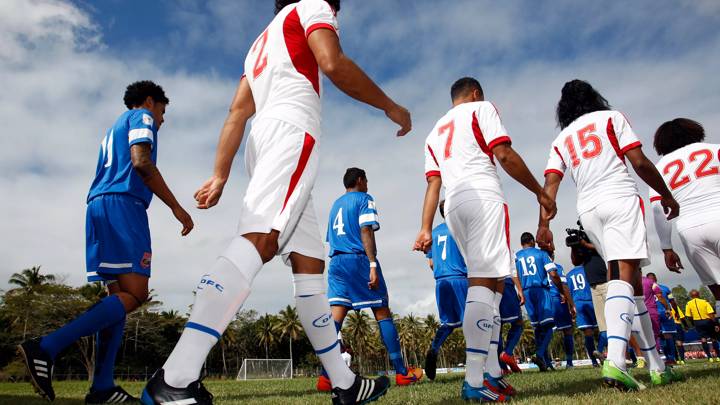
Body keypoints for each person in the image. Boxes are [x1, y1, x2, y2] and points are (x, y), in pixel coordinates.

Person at [141, 1, 412, 403]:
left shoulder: (259, 43)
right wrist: (391, 105)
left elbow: (238, 111)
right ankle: (175, 379)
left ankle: (346, 383)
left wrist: (221, 173)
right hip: (293, 131)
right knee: (260, 239)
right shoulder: (312, 7)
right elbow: (332, 62)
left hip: (264, 137)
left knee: (309, 266)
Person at [17, 81, 193, 403]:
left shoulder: (112, 129)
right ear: (150, 102)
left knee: (119, 299)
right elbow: (142, 162)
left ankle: (102, 387)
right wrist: (177, 208)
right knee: (137, 294)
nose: (162, 120)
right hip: (123, 207)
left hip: (99, 206)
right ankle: (46, 347)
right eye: (163, 112)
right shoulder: (141, 118)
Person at [414, 77, 556, 402]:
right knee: (483, 284)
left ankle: (491, 373)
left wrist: (425, 227)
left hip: (452, 206)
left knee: (494, 285)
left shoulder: (434, 132)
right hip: (482, 196)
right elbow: (503, 154)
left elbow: (433, 183)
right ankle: (475, 380)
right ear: (476, 93)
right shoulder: (481, 108)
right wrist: (540, 193)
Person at [537, 79, 681, 390]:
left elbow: (550, 185)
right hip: (619, 199)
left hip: (589, 210)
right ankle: (615, 362)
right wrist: (666, 194)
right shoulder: (612, 118)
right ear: (593, 98)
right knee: (621, 277)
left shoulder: (561, 139)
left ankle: (656, 366)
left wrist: (543, 225)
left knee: (632, 285)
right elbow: (639, 162)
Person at [319, 168, 422, 390]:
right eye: (366, 179)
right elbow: (366, 230)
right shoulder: (365, 198)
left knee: (334, 320)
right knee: (382, 310)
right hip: (358, 260)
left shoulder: (335, 205)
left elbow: (331, 237)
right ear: (359, 180)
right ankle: (402, 373)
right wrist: (372, 263)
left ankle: (324, 376)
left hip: (336, 262)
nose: (368, 184)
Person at [649, 118, 720, 305]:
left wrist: (666, 247)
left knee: (717, 290)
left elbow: (658, 208)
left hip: (689, 229)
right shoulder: (715, 150)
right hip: (717, 212)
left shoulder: (659, 167)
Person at [424, 200, 468, 381]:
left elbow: (431, 262)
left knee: (448, 323)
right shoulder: (461, 229)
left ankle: (434, 349)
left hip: (441, 281)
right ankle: (481, 364)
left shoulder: (433, 233)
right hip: (459, 278)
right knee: (471, 322)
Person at [515, 233, 572, 372]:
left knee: (537, 329)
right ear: (532, 241)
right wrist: (561, 291)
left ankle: (545, 363)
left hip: (526, 292)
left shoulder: (516, 256)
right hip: (540, 290)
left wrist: (520, 291)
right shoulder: (541, 254)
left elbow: (513, 274)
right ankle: (540, 354)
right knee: (549, 326)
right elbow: (553, 274)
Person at [568, 227, 609, 361]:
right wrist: (574, 247)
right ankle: (598, 354)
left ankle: (630, 354)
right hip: (593, 287)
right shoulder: (584, 248)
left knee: (611, 323)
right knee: (603, 325)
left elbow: (605, 248)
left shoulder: (599, 238)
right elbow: (575, 261)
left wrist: (586, 244)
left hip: (606, 282)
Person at [566, 264, 602, 367]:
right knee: (603, 329)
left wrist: (570, 307)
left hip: (577, 303)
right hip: (591, 301)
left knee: (588, 333)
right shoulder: (588, 270)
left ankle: (594, 362)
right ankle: (599, 351)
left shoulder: (569, 275)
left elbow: (567, 292)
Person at [546, 260, 576, 368]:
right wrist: (571, 304)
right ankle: (569, 362)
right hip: (557, 300)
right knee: (567, 330)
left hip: (544, 301)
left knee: (544, 331)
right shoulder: (556, 266)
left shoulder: (539, 266)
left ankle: (546, 362)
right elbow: (563, 285)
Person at [646, 272, 679, 364]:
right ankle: (671, 358)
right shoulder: (665, 288)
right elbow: (672, 301)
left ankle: (660, 359)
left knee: (658, 336)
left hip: (652, 314)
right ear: (656, 278)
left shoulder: (645, 289)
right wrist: (676, 311)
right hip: (665, 313)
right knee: (668, 335)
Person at [498, 270, 525, 374]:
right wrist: (520, 290)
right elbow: (512, 269)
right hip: (505, 283)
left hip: (487, 286)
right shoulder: (506, 252)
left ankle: (502, 368)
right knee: (518, 322)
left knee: (497, 327)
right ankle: (507, 352)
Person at [684, 289, 720, 362]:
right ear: (698, 294)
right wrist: (715, 324)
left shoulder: (688, 304)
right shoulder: (704, 302)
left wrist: (693, 323)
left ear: (691, 296)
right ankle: (718, 356)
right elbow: (710, 313)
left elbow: (688, 316)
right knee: (713, 338)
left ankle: (709, 357)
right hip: (707, 321)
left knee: (703, 339)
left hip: (697, 322)